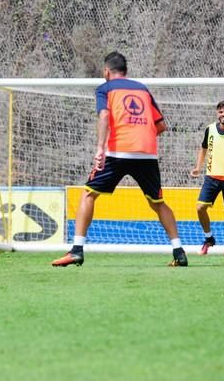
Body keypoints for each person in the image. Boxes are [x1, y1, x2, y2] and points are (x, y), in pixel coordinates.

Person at [52, 51, 188, 267]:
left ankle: (77, 250)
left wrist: (100, 149)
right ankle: (179, 252)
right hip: (147, 153)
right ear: (126, 71)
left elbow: (104, 116)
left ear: (106, 71)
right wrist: (140, 137)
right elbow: (161, 126)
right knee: (158, 202)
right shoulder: (142, 89)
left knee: (88, 194)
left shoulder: (105, 88)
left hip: (117, 151)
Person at [190, 99, 224, 256]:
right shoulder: (210, 129)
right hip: (212, 177)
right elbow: (203, 148)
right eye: (221, 112)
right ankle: (209, 238)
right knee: (200, 207)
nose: (223, 114)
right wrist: (198, 167)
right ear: (217, 113)